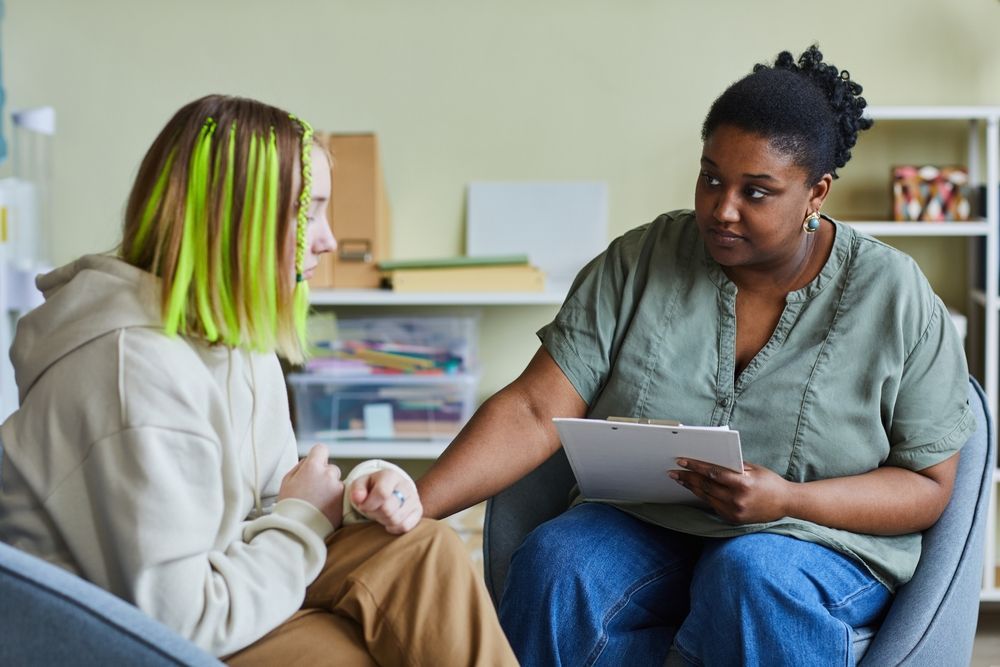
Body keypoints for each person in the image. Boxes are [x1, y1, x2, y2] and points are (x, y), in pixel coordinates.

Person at [417, 45, 975, 666]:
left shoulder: (894, 295)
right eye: (711, 177)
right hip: (647, 523)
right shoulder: (638, 261)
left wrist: (790, 500)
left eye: (756, 193)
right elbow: (532, 408)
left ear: (816, 193)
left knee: (752, 573)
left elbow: (929, 486)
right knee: (561, 561)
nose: (721, 209)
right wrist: (414, 508)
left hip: (816, 539)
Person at [0, 94, 516, 666]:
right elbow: (182, 622)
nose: (328, 239)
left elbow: (273, 499)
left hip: (223, 582)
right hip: (134, 637)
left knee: (427, 551)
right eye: (311, 213)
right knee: (351, 654)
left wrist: (361, 494)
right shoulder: (130, 371)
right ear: (244, 219)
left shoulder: (236, 342)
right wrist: (302, 519)